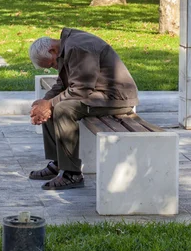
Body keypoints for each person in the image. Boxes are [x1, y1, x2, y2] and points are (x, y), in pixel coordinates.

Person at [28, 28, 139, 190]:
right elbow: (63, 83)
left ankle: (71, 174)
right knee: (50, 105)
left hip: (115, 97)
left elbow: (81, 89)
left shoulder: (78, 48)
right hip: (96, 94)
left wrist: (49, 104)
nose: (53, 67)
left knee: (62, 109)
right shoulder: (67, 48)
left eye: (51, 64)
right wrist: (44, 102)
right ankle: (58, 163)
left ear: (52, 50)